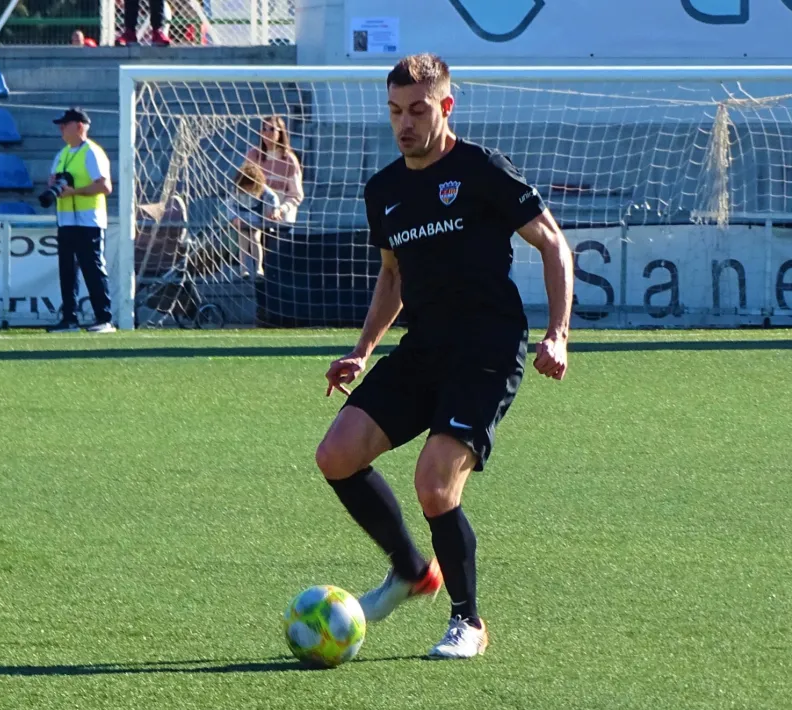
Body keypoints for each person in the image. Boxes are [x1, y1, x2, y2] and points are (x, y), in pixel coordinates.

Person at [315, 53, 574, 660]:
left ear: (445, 106)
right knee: (336, 456)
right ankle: (409, 570)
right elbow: (392, 277)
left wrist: (558, 332)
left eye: (418, 110)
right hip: (424, 348)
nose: (404, 123)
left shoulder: (479, 168)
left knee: (434, 485)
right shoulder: (384, 189)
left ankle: (468, 622)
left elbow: (553, 243)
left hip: (486, 348)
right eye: (395, 111)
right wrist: (360, 351)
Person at [47, 108, 116, 333]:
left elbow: (105, 186)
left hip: (88, 221)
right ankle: (69, 318)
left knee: (92, 269)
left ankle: (104, 318)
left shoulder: (92, 152)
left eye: (64, 124)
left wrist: (74, 192)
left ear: (78, 126)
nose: (60, 128)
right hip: (66, 222)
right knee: (67, 271)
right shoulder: (62, 154)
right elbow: (52, 182)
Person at [244, 115, 304, 228]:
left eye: (272, 129)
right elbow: (244, 184)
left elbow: (296, 194)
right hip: (257, 209)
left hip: (281, 212)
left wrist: (280, 209)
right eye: (264, 129)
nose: (267, 133)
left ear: (280, 132)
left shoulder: (289, 159)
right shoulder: (253, 155)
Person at [227, 159, 281, 278]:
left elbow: (273, 197)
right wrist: (234, 218)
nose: (247, 190)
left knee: (255, 239)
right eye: (245, 187)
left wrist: (275, 210)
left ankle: (258, 268)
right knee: (243, 241)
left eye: (250, 187)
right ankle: (243, 268)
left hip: (255, 218)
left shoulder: (262, 188)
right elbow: (230, 205)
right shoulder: (235, 191)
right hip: (241, 219)